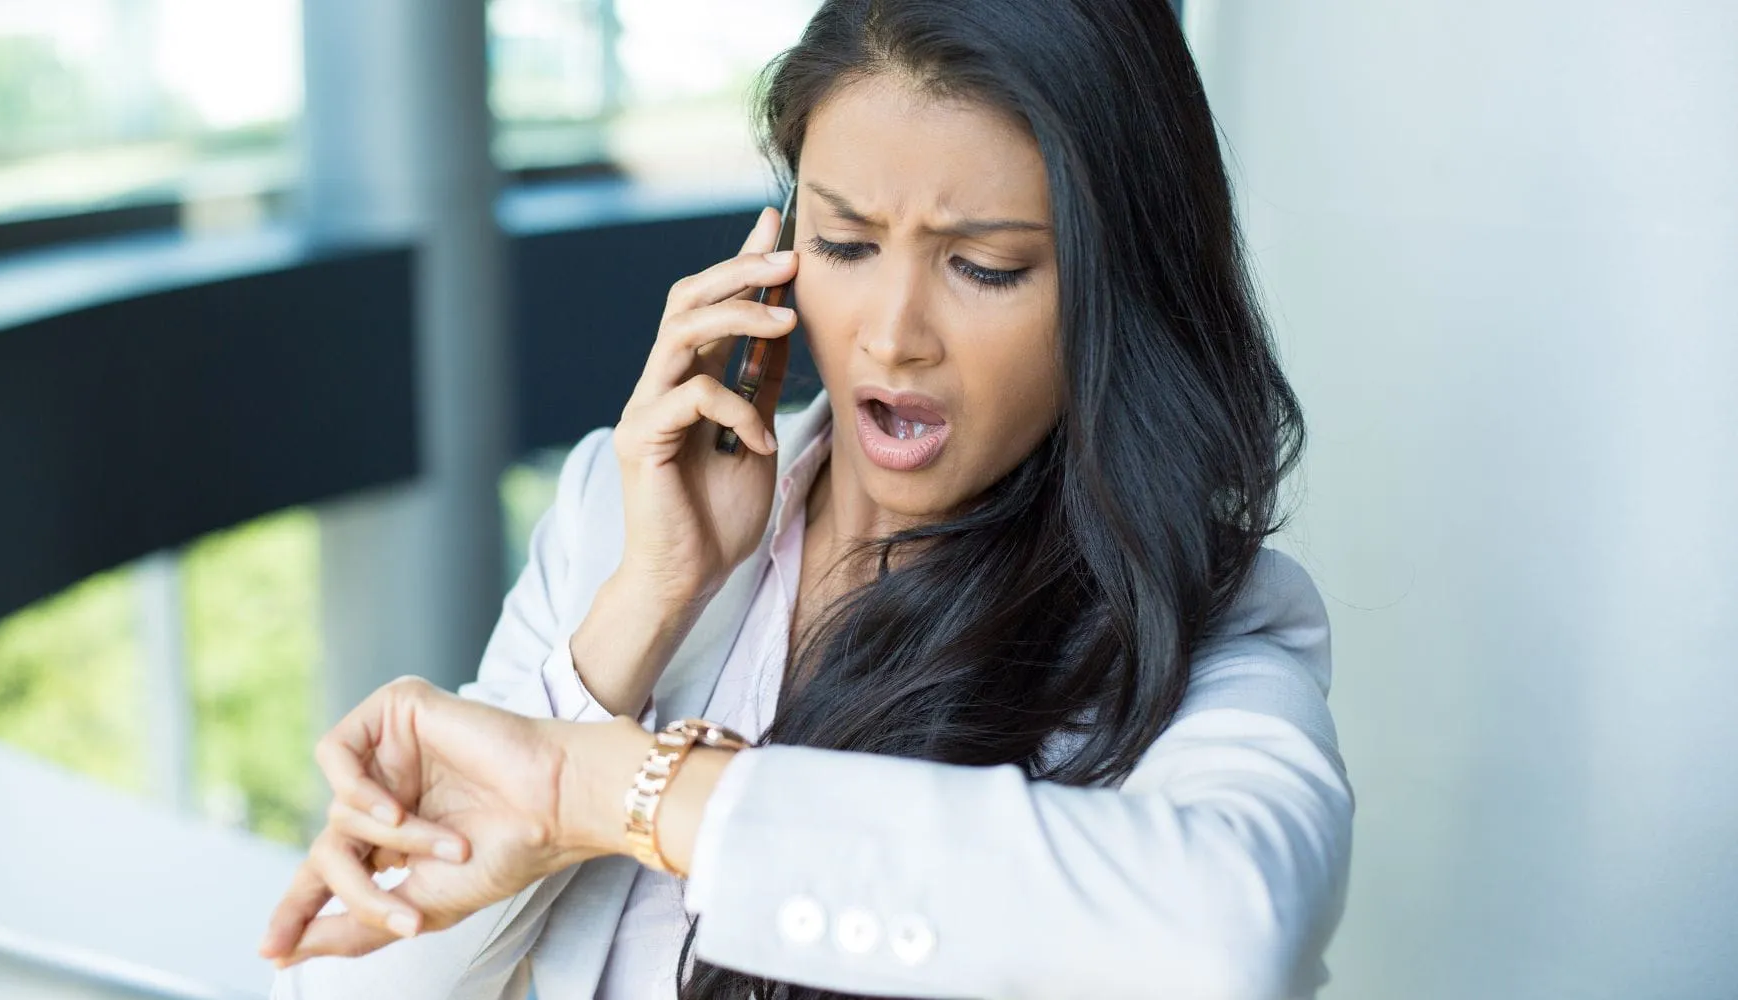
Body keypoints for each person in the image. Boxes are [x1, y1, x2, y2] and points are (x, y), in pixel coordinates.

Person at [259, 0, 1351, 997]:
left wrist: (613, 787)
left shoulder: (1203, 627)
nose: (889, 333)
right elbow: (352, 984)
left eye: (983, 267)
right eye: (844, 243)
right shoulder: (620, 515)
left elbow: (1228, 943)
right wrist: (643, 608)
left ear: (1113, 290)